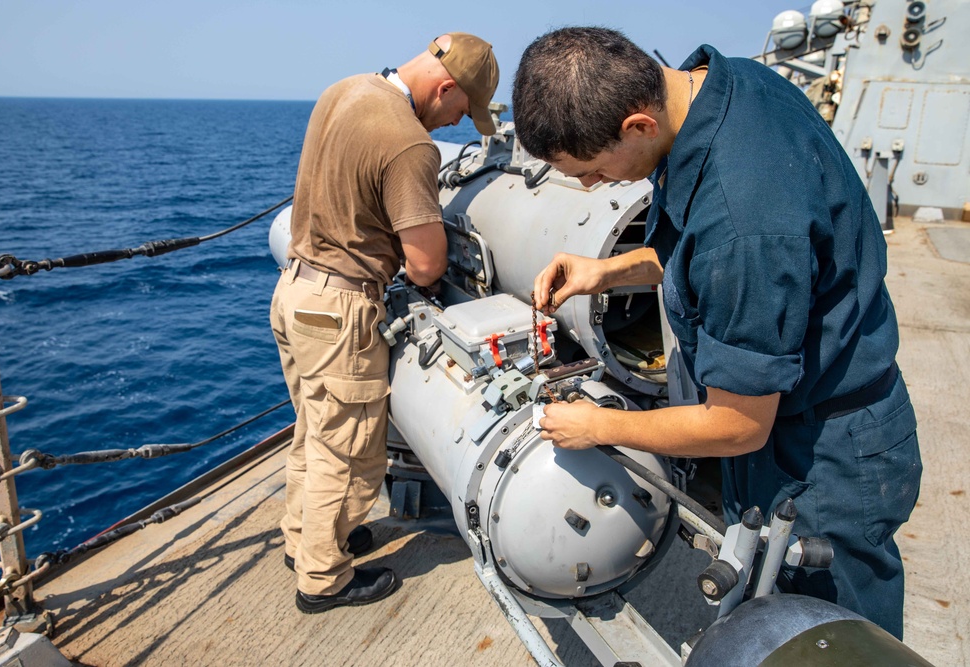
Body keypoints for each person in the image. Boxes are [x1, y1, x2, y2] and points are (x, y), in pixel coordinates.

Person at [513, 27, 920, 639]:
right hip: (797, 430)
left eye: (595, 171)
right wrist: (608, 271)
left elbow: (738, 424)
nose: (596, 187)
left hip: (824, 463)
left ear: (639, 125)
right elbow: (697, 253)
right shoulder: (724, 85)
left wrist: (599, 426)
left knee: (832, 641)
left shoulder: (745, 221)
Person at [270, 33, 499, 613]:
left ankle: (307, 543)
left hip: (296, 290)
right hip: (342, 309)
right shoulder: (408, 143)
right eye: (459, 111)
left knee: (315, 433)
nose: (452, 125)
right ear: (445, 87)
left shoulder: (345, 89)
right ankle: (324, 580)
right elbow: (425, 264)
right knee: (347, 452)